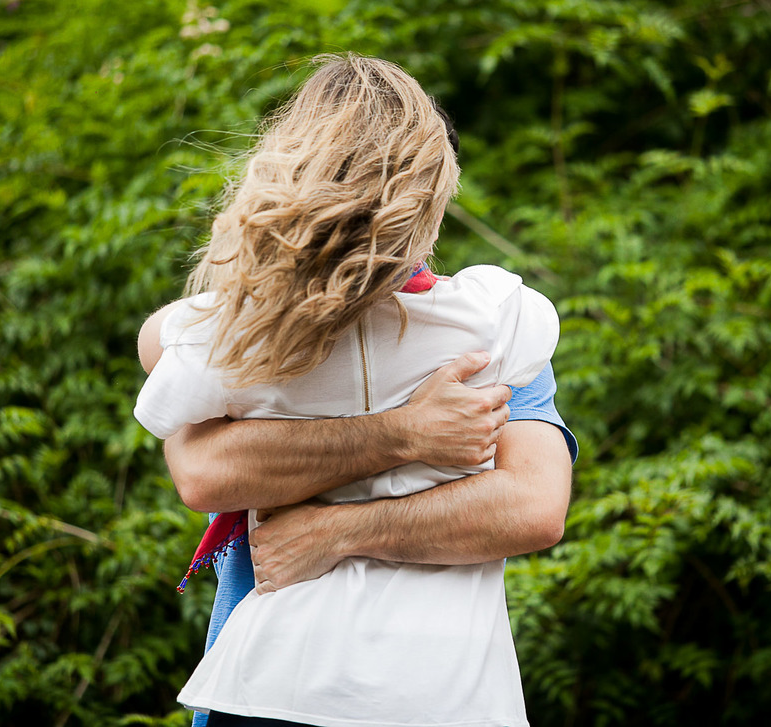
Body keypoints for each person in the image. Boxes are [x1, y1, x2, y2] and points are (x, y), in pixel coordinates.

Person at [134, 54, 575, 727]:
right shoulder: (497, 324)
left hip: (270, 683)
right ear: (434, 189)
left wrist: (335, 531)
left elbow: (533, 506)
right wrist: (406, 433)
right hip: (445, 693)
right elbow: (202, 473)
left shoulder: (240, 336)